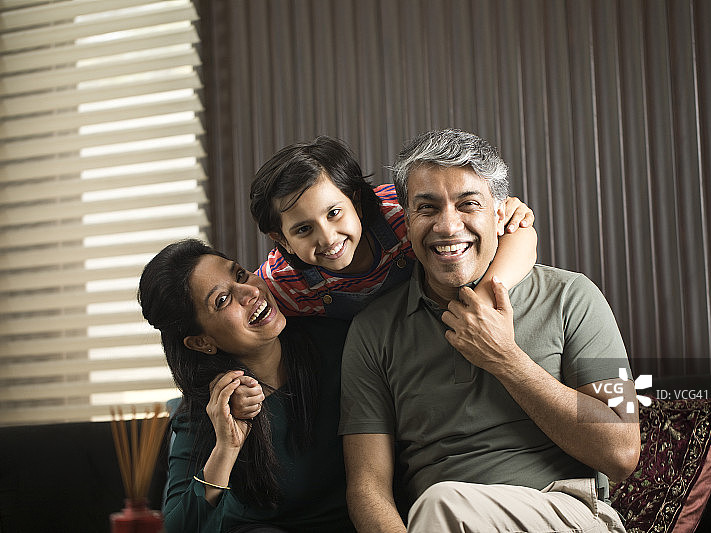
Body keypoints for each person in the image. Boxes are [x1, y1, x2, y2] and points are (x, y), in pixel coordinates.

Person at [338, 129, 641, 532]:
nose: (447, 226)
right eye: (427, 208)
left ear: (499, 214)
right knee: (439, 506)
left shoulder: (573, 296)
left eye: (468, 205)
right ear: (406, 221)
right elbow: (367, 487)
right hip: (436, 522)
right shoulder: (372, 331)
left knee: (442, 504)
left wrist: (507, 360)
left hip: (567, 513)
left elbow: (622, 452)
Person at [138, 239, 354, 533]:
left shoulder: (338, 344)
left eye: (239, 275)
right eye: (222, 300)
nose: (251, 291)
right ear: (202, 341)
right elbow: (178, 528)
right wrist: (227, 447)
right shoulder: (208, 410)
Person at [249, 135, 538, 320]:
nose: (328, 237)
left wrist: (485, 298)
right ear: (281, 240)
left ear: (357, 203)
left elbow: (521, 232)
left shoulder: (403, 213)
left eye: (334, 213)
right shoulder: (280, 283)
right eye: (303, 230)